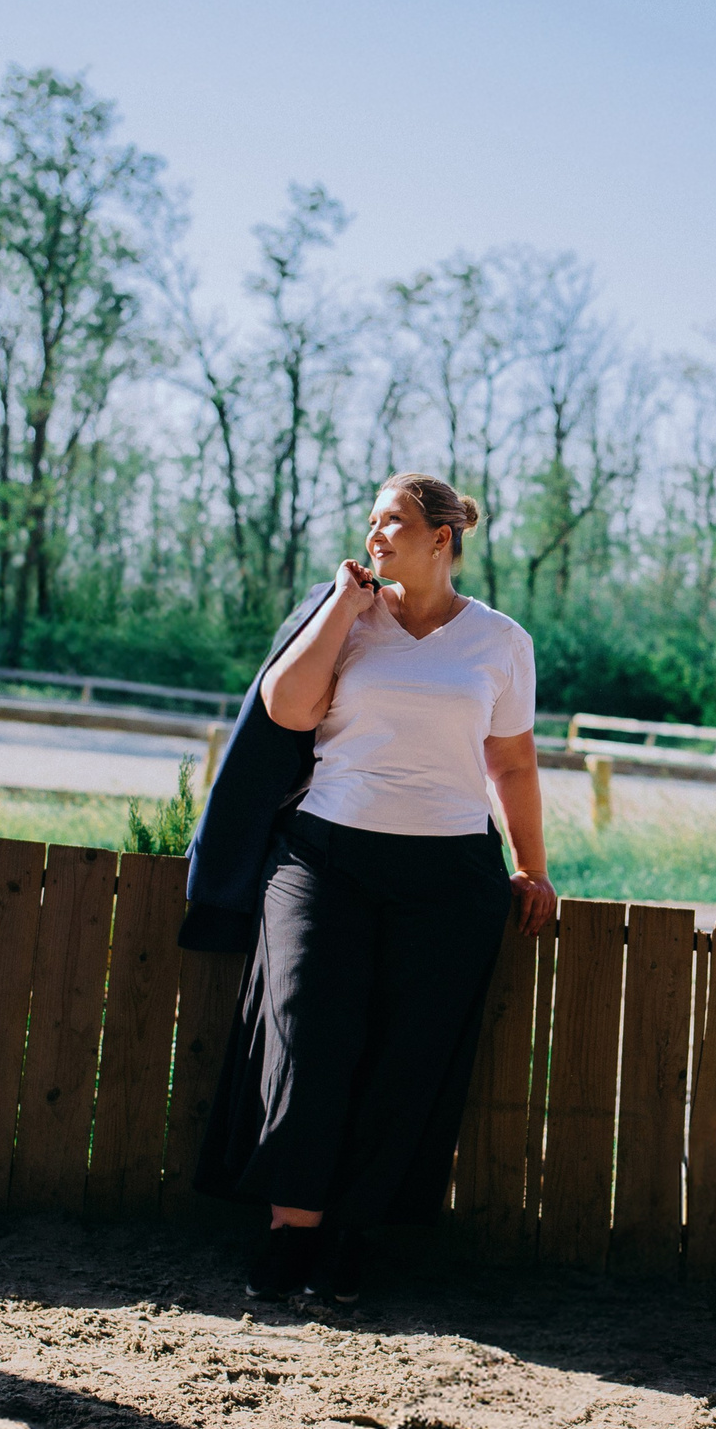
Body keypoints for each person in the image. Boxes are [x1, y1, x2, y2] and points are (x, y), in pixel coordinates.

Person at [187, 473, 556, 1305]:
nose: (376, 533)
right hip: (323, 863)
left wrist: (530, 865)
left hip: (451, 877)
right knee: (309, 1039)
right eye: (372, 520)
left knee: (407, 1061)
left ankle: (352, 1238)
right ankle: (293, 1232)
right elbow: (284, 710)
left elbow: (514, 763)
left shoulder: (500, 641)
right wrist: (339, 615)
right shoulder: (346, 617)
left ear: (442, 537)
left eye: (395, 521)